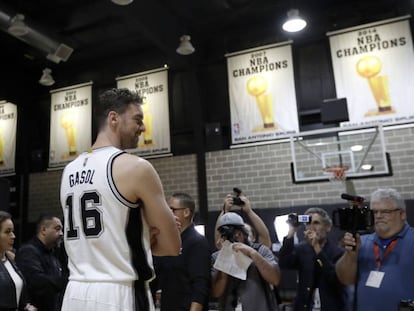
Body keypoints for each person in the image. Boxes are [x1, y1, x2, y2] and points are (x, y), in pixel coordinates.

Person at [59, 88, 181, 311]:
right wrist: (144, 238)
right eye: (138, 120)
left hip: (74, 292)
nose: (143, 127)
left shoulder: (69, 170)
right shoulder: (137, 168)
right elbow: (173, 246)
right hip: (119, 293)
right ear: (113, 118)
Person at [336, 188, 414, 311]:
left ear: (402, 214)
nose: (378, 216)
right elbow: (346, 279)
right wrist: (351, 254)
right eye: (374, 212)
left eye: (385, 212)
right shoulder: (361, 242)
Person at [278, 207, 347, 311]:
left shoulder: (338, 252)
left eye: (316, 223)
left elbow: (334, 279)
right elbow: (284, 262)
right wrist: (292, 231)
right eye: (308, 223)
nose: (312, 227)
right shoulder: (301, 249)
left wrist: (317, 248)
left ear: (327, 227)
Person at [211, 212, 280, 311]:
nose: (234, 238)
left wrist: (252, 254)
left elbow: (275, 279)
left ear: (242, 234)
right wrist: (225, 259)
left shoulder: (260, 250)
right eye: (225, 236)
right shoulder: (216, 257)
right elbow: (216, 293)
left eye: (236, 233)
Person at [153, 193, 210, 311]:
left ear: (186, 212)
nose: (168, 213)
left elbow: (200, 286)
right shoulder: (167, 241)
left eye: (172, 210)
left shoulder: (197, 242)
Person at [15, 215, 66, 311]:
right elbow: (37, 282)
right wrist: (65, 281)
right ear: (43, 230)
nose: (61, 234)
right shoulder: (28, 252)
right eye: (57, 229)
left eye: (62, 230)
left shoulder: (52, 254)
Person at [0, 211, 37, 311]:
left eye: (12, 231)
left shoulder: (11, 260)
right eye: (7, 232)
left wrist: (25, 307)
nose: (13, 236)